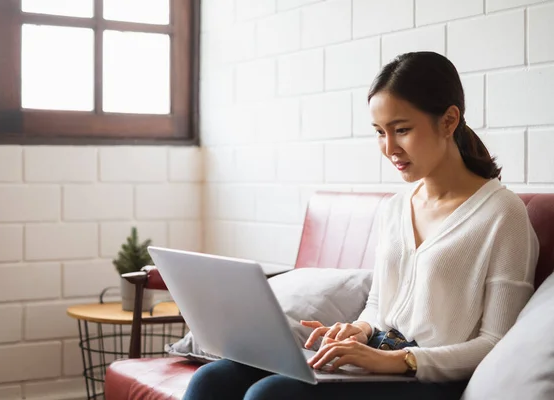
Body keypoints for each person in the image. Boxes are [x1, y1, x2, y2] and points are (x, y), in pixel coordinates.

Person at [183, 51, 539, 400]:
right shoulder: (395, 208)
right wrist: (360, 329)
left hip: (429, 380)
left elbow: (495, 343)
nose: (389, 148)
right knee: (213, 379)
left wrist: (397, 360)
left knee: (272, 394)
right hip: (377, 359)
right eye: (379, 132)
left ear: (448, 121)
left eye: (401, 130)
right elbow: (379, 303)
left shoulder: (502, 214)